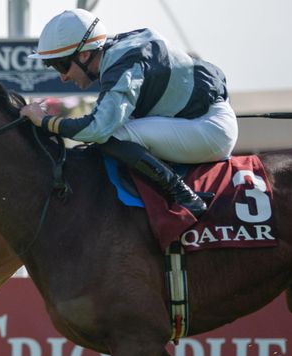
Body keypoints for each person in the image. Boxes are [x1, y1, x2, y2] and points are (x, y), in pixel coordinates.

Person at [20, 9, 238, 217]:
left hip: (209, 129)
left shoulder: (121, 64)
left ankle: (184, 195)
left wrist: (44, 121)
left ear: (85, 55)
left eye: (61, 65)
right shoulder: (120, 50)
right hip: (204, 120)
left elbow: (97, 129)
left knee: (111, 137)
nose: (63, 77)